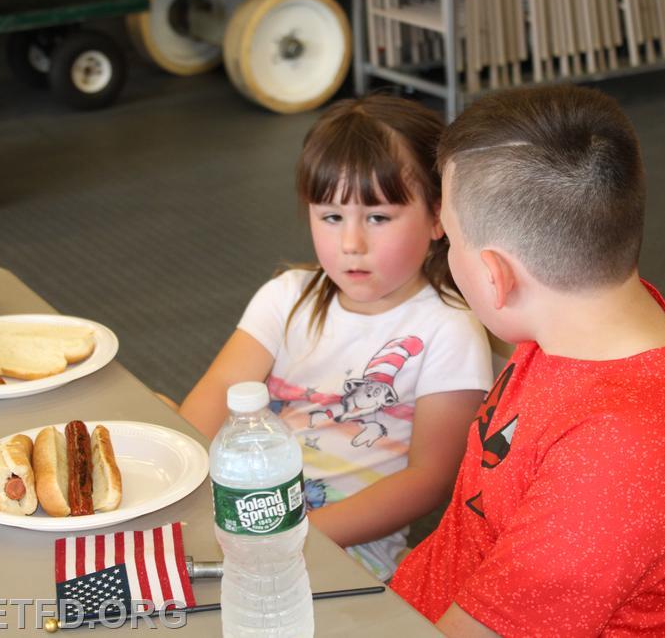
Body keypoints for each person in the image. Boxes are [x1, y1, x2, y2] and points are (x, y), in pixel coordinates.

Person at [389, 85, 665, 637]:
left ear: (496, 277)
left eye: (448, 238)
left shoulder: (618, 463)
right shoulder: (575, 324)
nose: (445, 258)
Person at [179, 94, 493, 581]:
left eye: (378, 217)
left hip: (345, 553)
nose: (351, 243)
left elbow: (428, 481)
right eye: (331, 217)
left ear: (438, 217)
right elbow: (213, 400)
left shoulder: (448, 328)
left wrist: (298, 534)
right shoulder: (286, 297)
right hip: (237, 518)